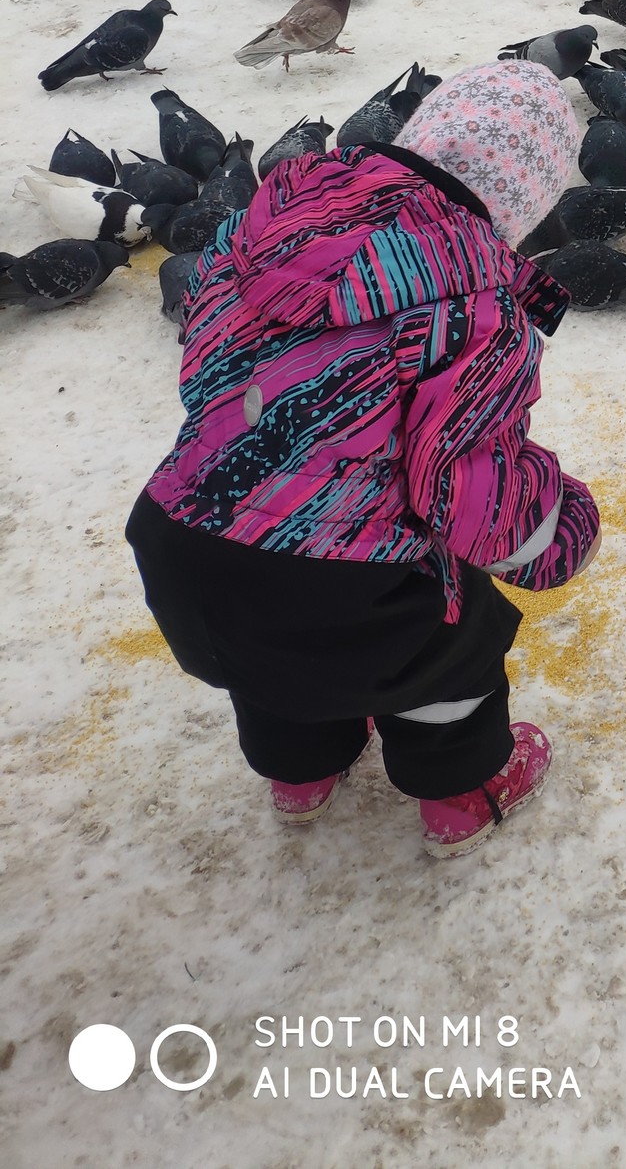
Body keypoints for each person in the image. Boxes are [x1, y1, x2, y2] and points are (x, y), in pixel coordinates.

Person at [126, 61, 600, 861]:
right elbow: (471, 499)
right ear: (524, 201)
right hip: (352, 598)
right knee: (452, 636)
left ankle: (301, 771)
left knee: (276, 641)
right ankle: (462, 791)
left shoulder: (254, 235)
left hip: (185, 553)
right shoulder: (471, 313)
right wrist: (560, 527)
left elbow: (207, 380)